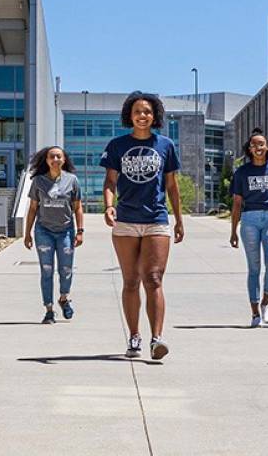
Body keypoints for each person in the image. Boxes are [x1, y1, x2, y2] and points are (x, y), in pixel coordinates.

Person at [101, 91, 183, 361]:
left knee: (154, 279)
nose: (142, 116)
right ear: (129, 115)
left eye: (147, 111)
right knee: (131, 281)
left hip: (156, 219)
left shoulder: (165, 145)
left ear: (154, 115)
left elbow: (172, 185)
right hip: (125, 220)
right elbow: (111, 182)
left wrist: (179, 219)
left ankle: (156, 338)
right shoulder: (117, 146)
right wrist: (109, 205)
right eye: (137, 111)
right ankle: (134, 336)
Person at [229, 128, 268, 327]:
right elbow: (237, 202)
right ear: (249, 148)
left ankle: (266, 301)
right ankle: (255, 311)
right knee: (254, 267)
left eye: (261, 144)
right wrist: (233, 231)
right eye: (254, 144)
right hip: (249, 220)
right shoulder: (242, 172)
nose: (258, 147)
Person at [23, 146, 84, 324]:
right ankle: (49, 309)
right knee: (46, 270)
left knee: (66, 270)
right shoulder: (38, 181)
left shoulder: (72, 180)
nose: (55, 159)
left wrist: (80, 231)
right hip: (44, 231)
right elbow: (33, 208)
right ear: (47, 160)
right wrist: (27, 234)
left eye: (59, 156)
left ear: (64, 160)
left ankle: (63, 298)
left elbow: (78, 207)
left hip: (65, 230)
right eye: (52, 157)